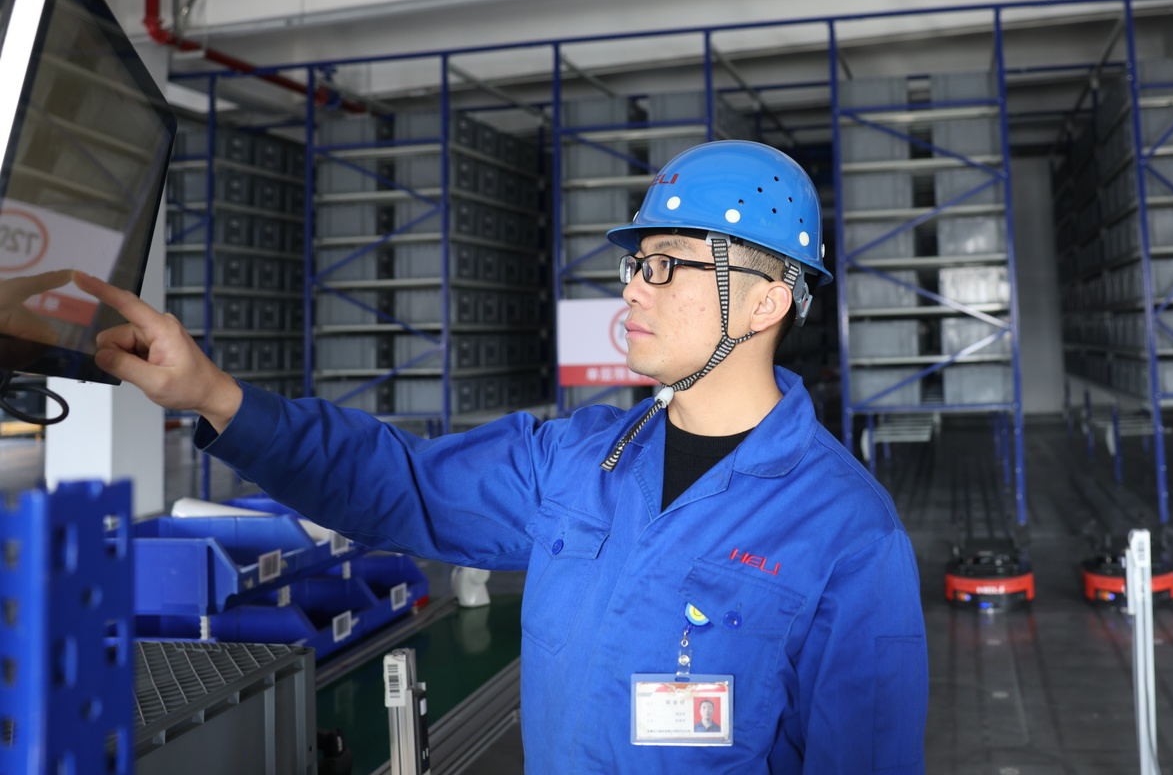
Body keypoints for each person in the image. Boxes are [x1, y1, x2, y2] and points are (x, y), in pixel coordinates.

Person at [77, 139, 928, 773]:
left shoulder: (846, 529)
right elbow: (396, 483)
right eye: (636, 263)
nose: (632, 286)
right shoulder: (577, 460)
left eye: (666, 265)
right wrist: (215, 395)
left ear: (765, 303)